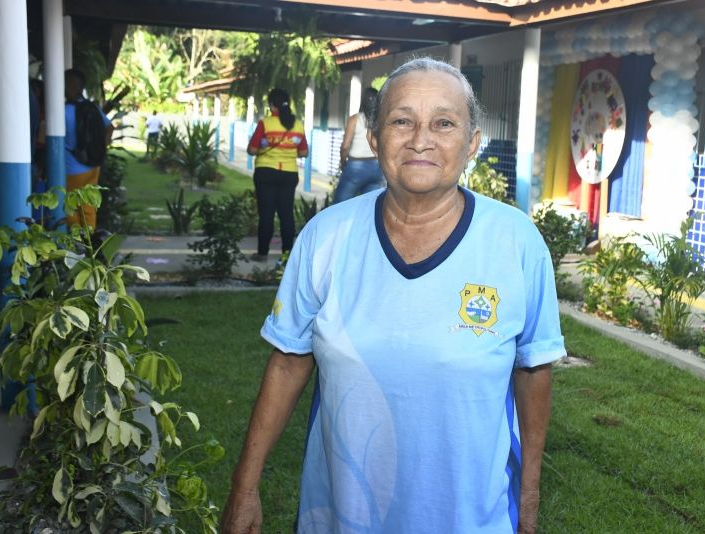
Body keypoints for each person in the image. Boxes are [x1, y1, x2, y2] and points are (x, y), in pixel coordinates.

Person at [222, 58, 565, 534]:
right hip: (342, 516)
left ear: (472, 144)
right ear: (374, 136)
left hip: (471, 518)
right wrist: (245, 486)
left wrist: (528, 503)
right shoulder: (326, 237)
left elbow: (533, 371)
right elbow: (287, 362)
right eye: (402, 120)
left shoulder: (516, 242)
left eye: (443, 123)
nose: (421, 139)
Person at [246, 88, 308, 262]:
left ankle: (262, 253)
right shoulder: (298, 125)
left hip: (265, 173)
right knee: (286, 214)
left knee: (266, 214)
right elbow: (303, 153)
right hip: (289, 174)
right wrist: (288, 150)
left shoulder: (265, 124)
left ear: (272, 105)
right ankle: (287, 255)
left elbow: (251, 150)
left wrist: (266, 147)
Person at [64, 68, 113, 228]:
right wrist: (100, 149)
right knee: (89, 207)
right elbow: (109, 127)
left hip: (72, 170)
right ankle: (90, 242)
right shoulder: (92, 108)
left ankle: (77, 246)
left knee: (71, 208)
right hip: (93, 166)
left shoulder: (62, 112)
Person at [333, 87, 385, 203]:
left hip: (355, 166)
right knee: (369, 208)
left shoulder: (355, 119)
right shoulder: (381, 121)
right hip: (377, 167)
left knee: (340, 205)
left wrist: (343, 163)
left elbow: (345, 145)